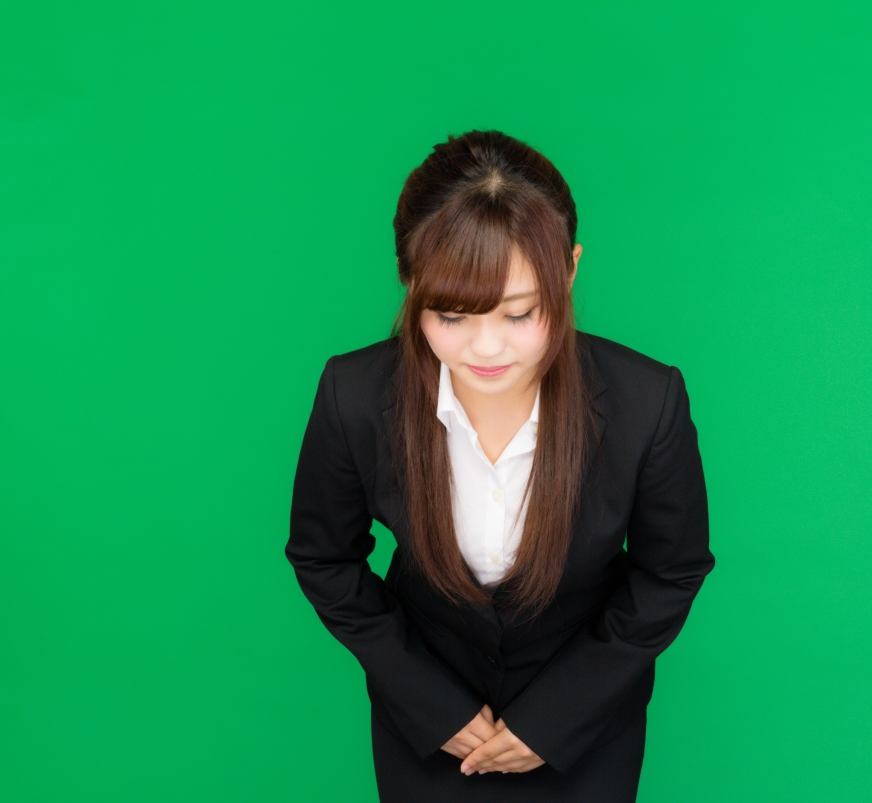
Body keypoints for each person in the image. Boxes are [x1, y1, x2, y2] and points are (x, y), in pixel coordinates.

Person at [285, 129, 713, 802]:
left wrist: (558, 715)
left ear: (568, 270)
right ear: (409, 279)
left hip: (586, 727)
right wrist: (430, 704)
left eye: (521, 313)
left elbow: (671, 571)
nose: (487, 348)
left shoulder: (646, 400)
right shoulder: (355, 394)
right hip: (427, 725)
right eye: (451, 314)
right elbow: (323, 558)